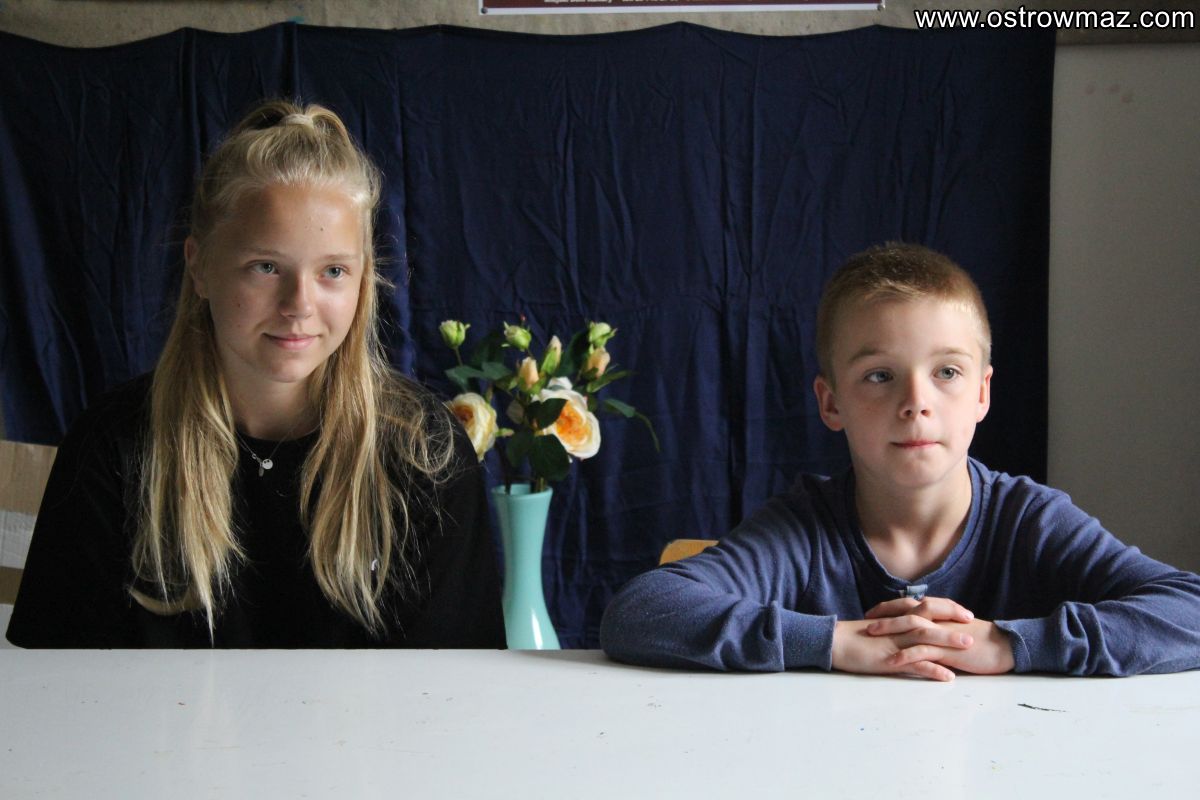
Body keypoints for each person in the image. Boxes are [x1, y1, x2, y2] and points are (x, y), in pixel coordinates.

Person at [6, 100, 505, 648]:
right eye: (266, 267)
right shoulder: (112, 447)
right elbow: (60, 677)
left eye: (333, 271)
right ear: (199, 266)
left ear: (364, 279)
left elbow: (457, 686)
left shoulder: (425, 453)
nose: (299, 305)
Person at [600, 243, 1200, 679]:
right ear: (831, 403)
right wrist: (835, 642)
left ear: (983, 393)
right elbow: (639, 611)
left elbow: (1188, 609)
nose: (916, 402)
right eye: (880, 376)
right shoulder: (805, 530)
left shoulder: (1030, 520)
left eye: (947, 372)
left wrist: (1006, 644)